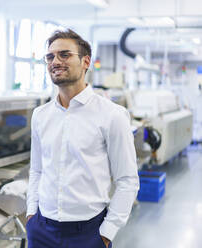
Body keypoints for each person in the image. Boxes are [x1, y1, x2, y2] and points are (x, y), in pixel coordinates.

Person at [26, 29, 139, 248]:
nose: (55, 61)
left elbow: (127, 180)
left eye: (64, 55)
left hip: (88, 233)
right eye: (50, 57)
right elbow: (37, 170)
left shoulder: (112, 115)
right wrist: (31, 214)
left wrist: (106, 233)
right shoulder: (41, 115)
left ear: (86, 61)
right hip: (41, 229)